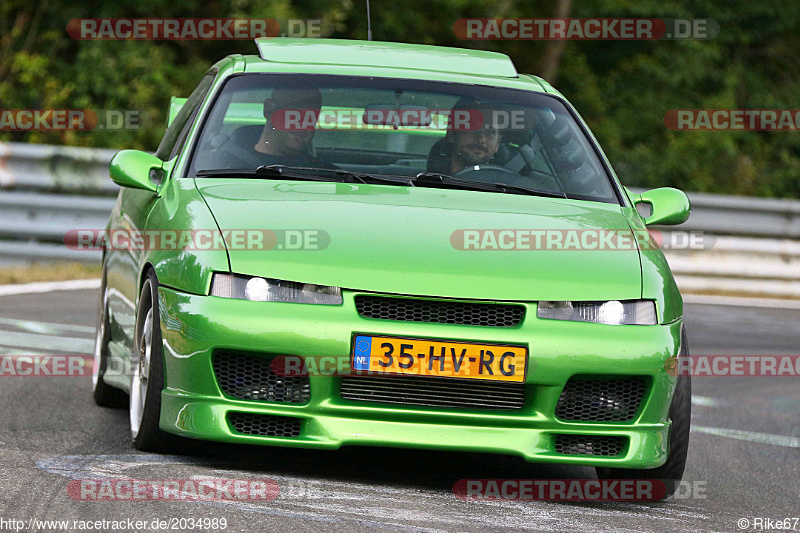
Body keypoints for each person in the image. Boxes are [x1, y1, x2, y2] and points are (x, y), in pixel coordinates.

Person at [198, 87, 335, 170]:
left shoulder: (329, 176)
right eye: (293, 116)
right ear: (269, 109)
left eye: (310, 118)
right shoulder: (216, 167)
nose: (302, 125)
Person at [426, 99, 507, 175]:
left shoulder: (507, 187)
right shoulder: (425, 184)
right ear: (451, 134)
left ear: (497, 144)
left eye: (490, 132)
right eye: (472, 127)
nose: (481, 139)